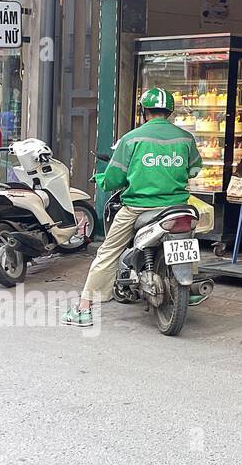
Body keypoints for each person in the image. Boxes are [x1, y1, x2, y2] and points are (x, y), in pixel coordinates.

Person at [62, 87, 201, 327]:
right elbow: (195, 169)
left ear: (145, 111)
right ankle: (190, 287)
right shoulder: (185, 138)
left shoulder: (132, 138)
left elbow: (115, 178)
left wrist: (101, 179)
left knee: (108, 252)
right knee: (186, 241)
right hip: (178, 206)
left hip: (138, 206)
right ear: (169, 111)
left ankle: (84, 309)